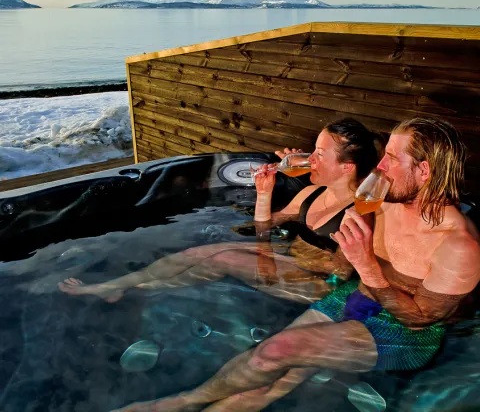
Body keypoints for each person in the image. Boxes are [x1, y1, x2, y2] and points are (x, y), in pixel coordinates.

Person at [112, 117, 480, 412]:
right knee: (275, 371)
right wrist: (297, 166)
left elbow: (421, 318)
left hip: (403, 335)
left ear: (425, 172)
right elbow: (341, 188)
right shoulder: (382, 198)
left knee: (278, 352)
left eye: (391, 159)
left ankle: (181, 402)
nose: (379, 167)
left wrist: (365, 265)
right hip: (354, 297)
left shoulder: (458, 245)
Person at [58, 118, 383, 304]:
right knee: (209, 250)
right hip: (292, 262)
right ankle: (123, 285)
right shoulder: (313, 192)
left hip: (316, 287)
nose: (310, 158)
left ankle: (122, 288)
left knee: (224, 257)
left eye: (320, 154)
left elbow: (340, 276)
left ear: (345, 167)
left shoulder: (359, 212)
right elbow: (264, 227)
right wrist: (264, 193)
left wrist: (268, 255)